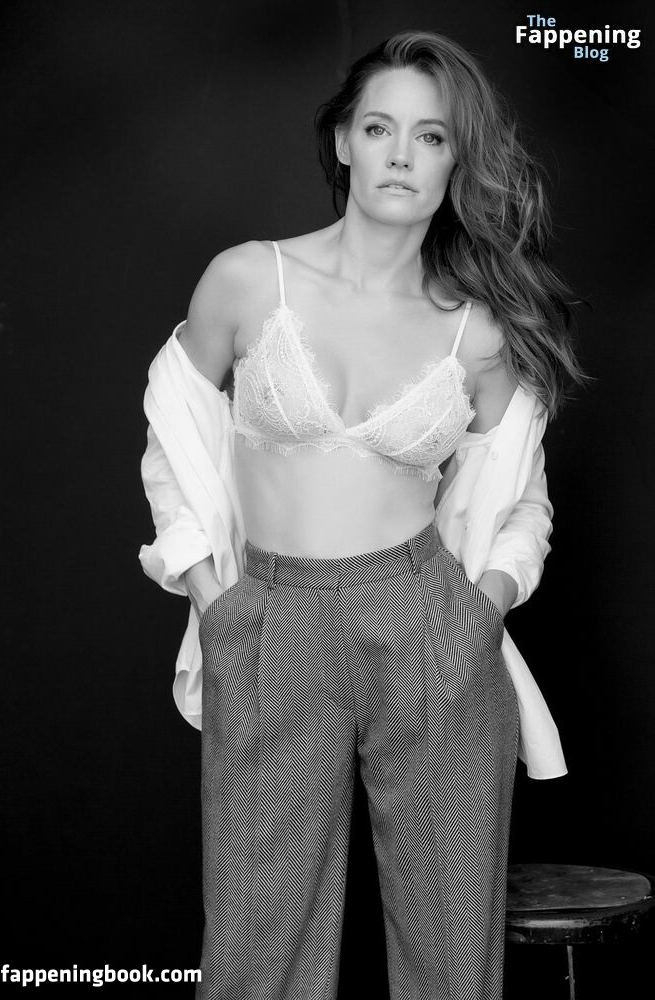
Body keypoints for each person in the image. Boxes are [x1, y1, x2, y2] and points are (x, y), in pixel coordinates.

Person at [139, 29, 585, 1000]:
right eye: (379, 128)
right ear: (342, 141)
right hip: (270, 620)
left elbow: (522, 497)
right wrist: (213, 595)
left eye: (430, 137)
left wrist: (483, 603)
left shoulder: (477, 332)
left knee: (448, 948)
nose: (400, 155)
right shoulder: (247, 278)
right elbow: (172, 432)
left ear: (455, 161)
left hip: (426, 620)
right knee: (256, 948)